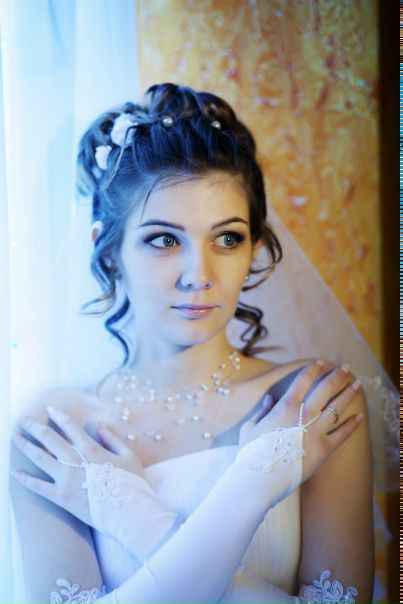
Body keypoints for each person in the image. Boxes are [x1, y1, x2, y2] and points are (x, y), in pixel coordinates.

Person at [10, 83, 374, 604]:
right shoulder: (55, 430)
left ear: (254, 246)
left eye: (227, 239)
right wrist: (252, 485)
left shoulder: (313, 401)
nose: (198, 275)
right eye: (163, 239)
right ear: (108, 252)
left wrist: (137, 518)